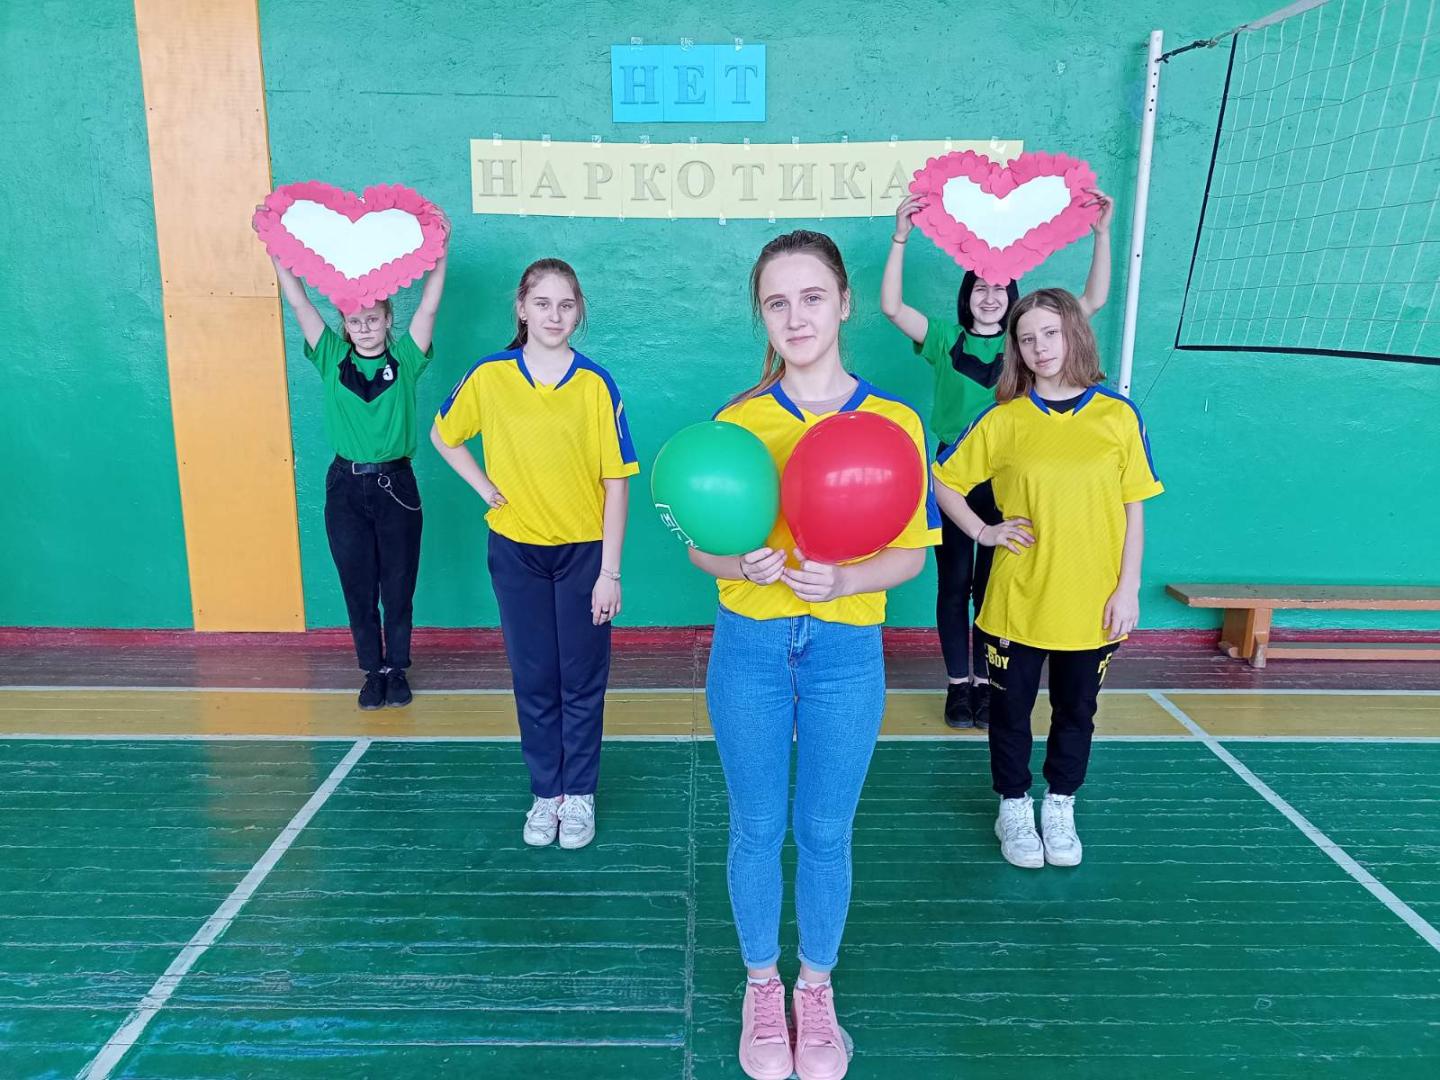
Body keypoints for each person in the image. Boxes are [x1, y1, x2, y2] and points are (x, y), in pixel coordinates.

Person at [687, 230, 939, 1080]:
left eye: (812, 298)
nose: (795, 317)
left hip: (845, 649)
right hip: (751, 644)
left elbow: (911, 555)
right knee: (757, 827)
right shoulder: (739, 420)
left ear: (844, 304)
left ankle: (816, 991)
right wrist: (742, 564)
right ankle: (763, 988)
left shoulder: (894, 423)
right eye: (777, 302)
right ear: (761, 315)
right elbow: (704, 547)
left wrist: (846, 579)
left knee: (826, 832)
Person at [932, 288, 1163, 869]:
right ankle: (1013, 806)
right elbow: (944, 479)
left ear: (1074, 335)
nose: (1040, 347)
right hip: (1018, 599)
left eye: (1050, 333)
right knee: (1010, 714)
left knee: (1076, 711)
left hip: (1092, 600)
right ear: (1016, 348)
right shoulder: (1003, 418)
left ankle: (1060, 805)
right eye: (1027, 338)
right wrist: (984, 532)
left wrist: (1128, 587)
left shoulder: (1118, 415)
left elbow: (1134, 508)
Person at [881, 189, 1113, 728]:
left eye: (1000, 288)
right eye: (981, 287)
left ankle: (988, 683)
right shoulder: (944, 339)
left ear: (1013, 296)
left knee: (993, 587)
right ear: (968, 295)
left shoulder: (1025, 343)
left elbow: (1091, 301)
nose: (990, 297)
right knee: (953, 585)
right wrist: (900, 237)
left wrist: (1101, 235)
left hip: (1010, 480)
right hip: (954, 479)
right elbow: (892, 307)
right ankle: (958, 686)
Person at [430, 258, 636, 851]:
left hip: (583, 556)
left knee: (582, 679)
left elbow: (616, 483)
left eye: (566, 305)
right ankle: (547, 793)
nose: (554, 315)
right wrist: (484, 487)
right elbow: (444, 434)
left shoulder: (596, 384)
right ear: (521, 308)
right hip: (516, 553)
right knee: (534, 676)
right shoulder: (490, 375)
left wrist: (610, 572)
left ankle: (580, 794)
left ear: (579, 311)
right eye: (542, 303)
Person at [260, 209, 449, 710]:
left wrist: (440, 253)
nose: (364, 328)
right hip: (345, 487)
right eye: (355, 321)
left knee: (398, 583)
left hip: (396, 487)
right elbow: (299, 302)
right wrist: (278, 250)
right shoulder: (331, 358)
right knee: (358, 584)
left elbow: (429, 307)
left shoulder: (405, 361)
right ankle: (372, 670)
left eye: (373, 319)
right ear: (344, 325)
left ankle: (397, 668)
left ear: (388, 320)